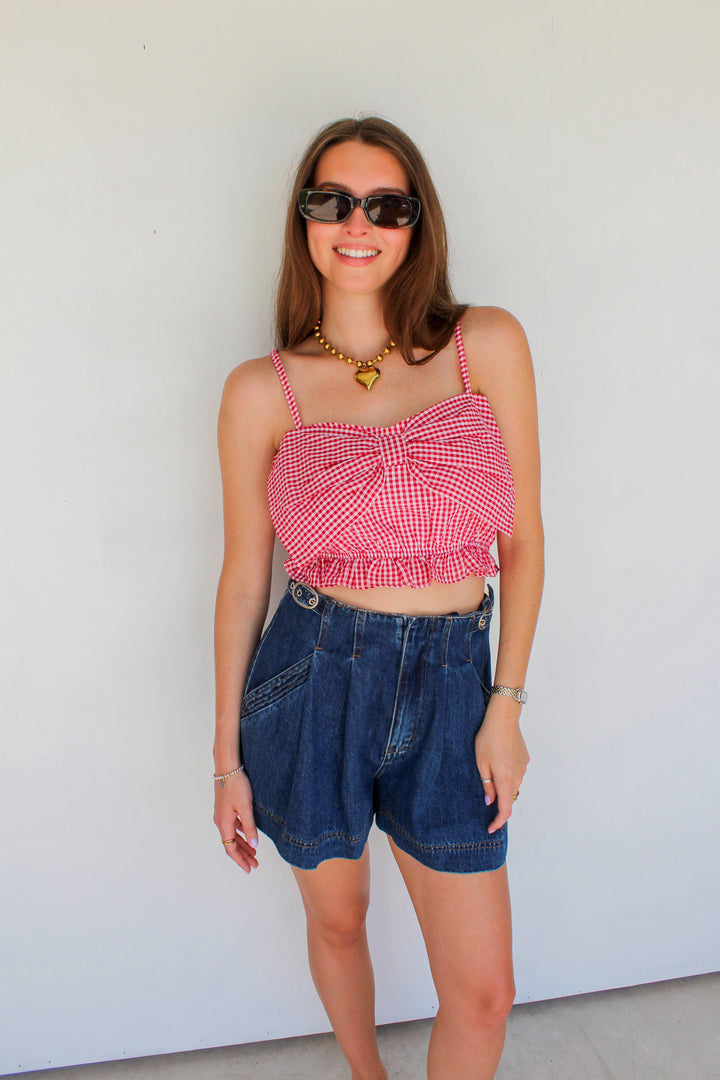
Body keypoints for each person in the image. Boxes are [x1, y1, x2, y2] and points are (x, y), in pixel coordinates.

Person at [213, 116, 544, 1080]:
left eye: (385, 205)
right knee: (341, 917)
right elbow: (244, 582)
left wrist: (507, 705)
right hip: (312, 677)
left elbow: (521, 544)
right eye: (332, 201)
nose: (357, 225)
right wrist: (225, 759)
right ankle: (369, 1074)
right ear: (304, 221)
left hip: (453, 684)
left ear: (416, 223)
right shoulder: (260, 393)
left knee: (484, 994)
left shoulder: (486, 346)